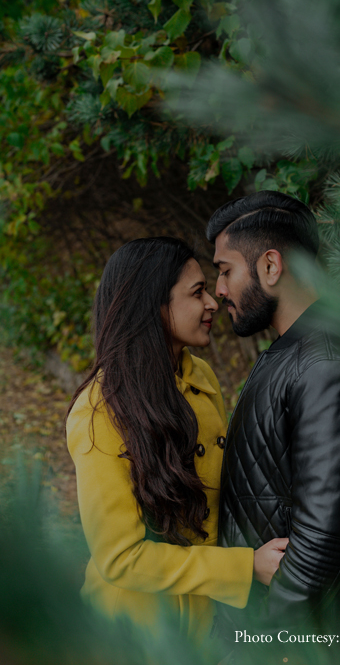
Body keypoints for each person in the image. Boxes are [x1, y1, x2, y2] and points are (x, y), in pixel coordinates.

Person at [65, 237, 287, 644]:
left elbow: (231, 491)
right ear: (153, 305)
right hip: (131, 636)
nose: (212, 303)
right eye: (197, 292)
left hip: (207, 625)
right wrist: (243, 568)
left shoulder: (200, 376)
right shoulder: (99, 410)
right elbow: (120, 558)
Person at [206, 192, 340, 664]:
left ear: (271, 266)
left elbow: (321, 542)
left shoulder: (328, 363)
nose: (219, 290)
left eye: (226, 270)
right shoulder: (300, 354)